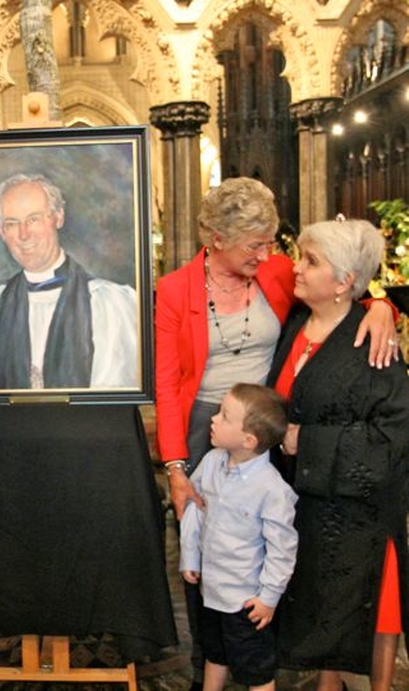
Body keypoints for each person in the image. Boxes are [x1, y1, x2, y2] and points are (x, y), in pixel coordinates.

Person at [154, 176, 398, 690]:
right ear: (216, 239)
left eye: (271, 243)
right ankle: (212, 664)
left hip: (269, 424)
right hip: (207, 428)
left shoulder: (274, 269)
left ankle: (264, 660)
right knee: (207, 552)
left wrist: (384, 306)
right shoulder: (176, 289)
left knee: (270, 541)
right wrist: (176, 467)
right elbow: (167, 385)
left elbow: (342, 285)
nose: (268, 254)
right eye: (254, 244)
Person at [267, 219, 409, 691]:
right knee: (323, 614)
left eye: (311, 261)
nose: (297, 267)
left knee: (368, 611)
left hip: (359, 513)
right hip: (306, 504)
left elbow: (391, 438)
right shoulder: (294, 324)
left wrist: (304, 441)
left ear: (345, 281)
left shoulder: (374, 342)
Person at [0, 172, 138, 390]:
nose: (24, 234)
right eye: (12, 223)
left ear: (58, 217)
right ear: (1, 232)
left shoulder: (109, 303)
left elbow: (116, 394)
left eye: (33, 219)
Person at [180, 382, 298, 691]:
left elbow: (282, 549)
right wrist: (191, 556)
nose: (214, 419)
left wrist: (269, 597)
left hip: (247, 602)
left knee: (255, 671)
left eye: (224, 416)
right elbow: (196, 508)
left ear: (249, 439)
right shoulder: (211, 463)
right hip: (212, 592)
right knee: (214, 655)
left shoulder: (272, 490)